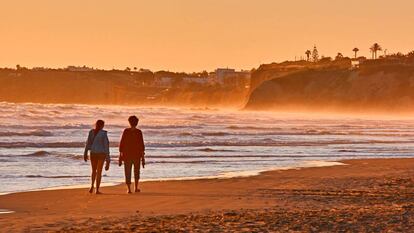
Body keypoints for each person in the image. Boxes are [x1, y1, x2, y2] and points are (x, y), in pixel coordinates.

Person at [119, 115, 145, 193]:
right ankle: (136, 187)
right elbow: (142, 146)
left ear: (129, 122)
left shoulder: (126, 131)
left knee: (127, 171)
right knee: (136, 171)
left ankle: (129, 189)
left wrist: (120, 156)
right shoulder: (139, 132)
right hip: (137, 155)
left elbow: (122, 144)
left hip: (127, 155)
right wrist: (143, 158)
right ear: (137, 123)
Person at [83, 120, 110, 194]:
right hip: (101, 153)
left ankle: (92, 186)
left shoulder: (91, 132)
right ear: (102, 126)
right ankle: (97, 189)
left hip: (93, 153)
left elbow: (88, 143)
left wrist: (85, 153)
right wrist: (108, 159)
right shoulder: (104, 133)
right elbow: (106, 146)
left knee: (93, 171)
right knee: (99, 172)